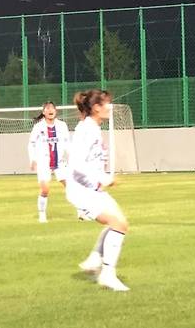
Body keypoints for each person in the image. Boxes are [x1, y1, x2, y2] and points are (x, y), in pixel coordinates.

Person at [65, 89, 130, 291]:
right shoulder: (87, 130)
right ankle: (107, 275)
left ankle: (95, 259)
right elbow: (76, 163)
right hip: (82, 190)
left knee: (121, 224)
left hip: (93, 189)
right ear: (96, 108)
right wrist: (102, 178)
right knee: (117, 224)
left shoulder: (92, 127)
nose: (109, 107)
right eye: (106, 104)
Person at [28, 101, 70, 223]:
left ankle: (81, 211)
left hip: (60, 161)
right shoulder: (38, 127)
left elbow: (67, 143)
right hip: (43, 161)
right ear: (44, 112)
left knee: (71, 186)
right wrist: (33, 159)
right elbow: (31, 144)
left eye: (52, 108)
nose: (50, 110)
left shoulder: (62, 125)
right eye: (47, 108)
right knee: (45, 189)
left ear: (55, 111)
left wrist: (72, 156)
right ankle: (42, 214)